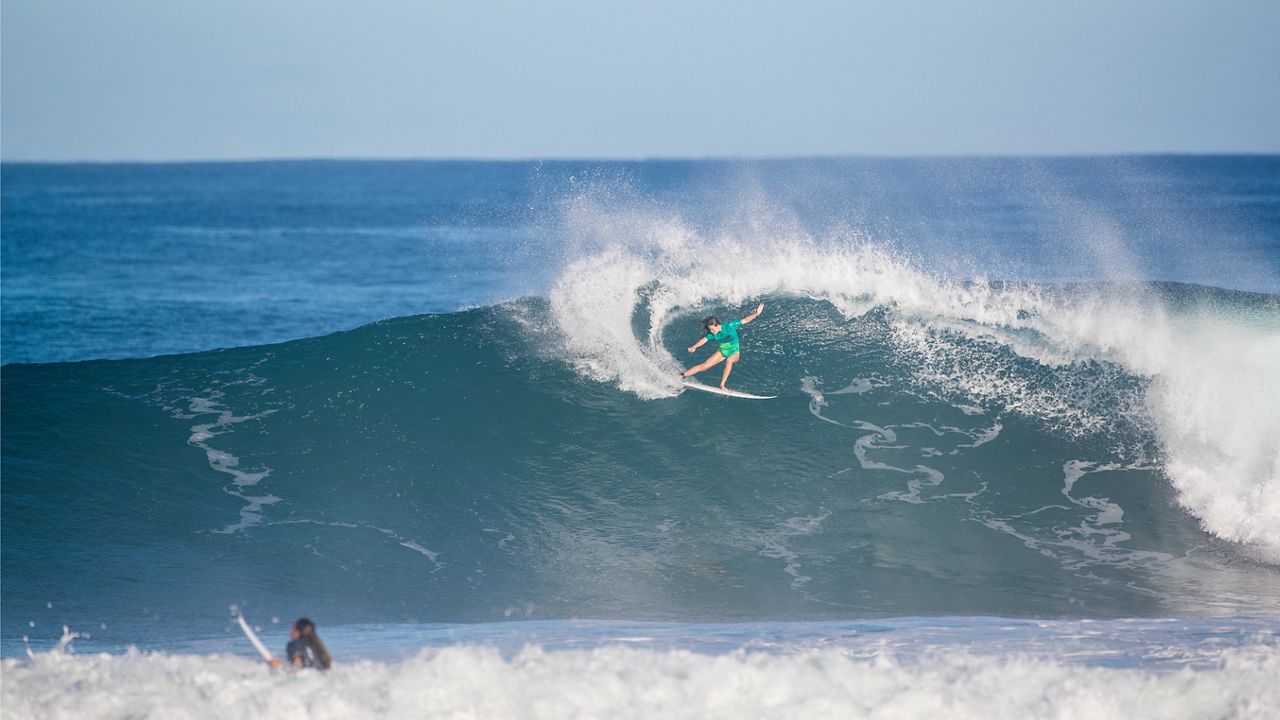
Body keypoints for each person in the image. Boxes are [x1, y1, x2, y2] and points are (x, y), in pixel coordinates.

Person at [679, 303, 765, 390]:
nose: (711, 331)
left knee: (729, 360)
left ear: (717, 325)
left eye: (712, 329)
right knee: (705, 366)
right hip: (722, 351)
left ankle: (722, 385)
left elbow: (745, 320)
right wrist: (694, 347)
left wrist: (756, 313)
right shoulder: (713, 334)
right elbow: (704, 340)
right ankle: (683, 375)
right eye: (710, 330)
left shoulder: (729, 326)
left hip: (734, 351)